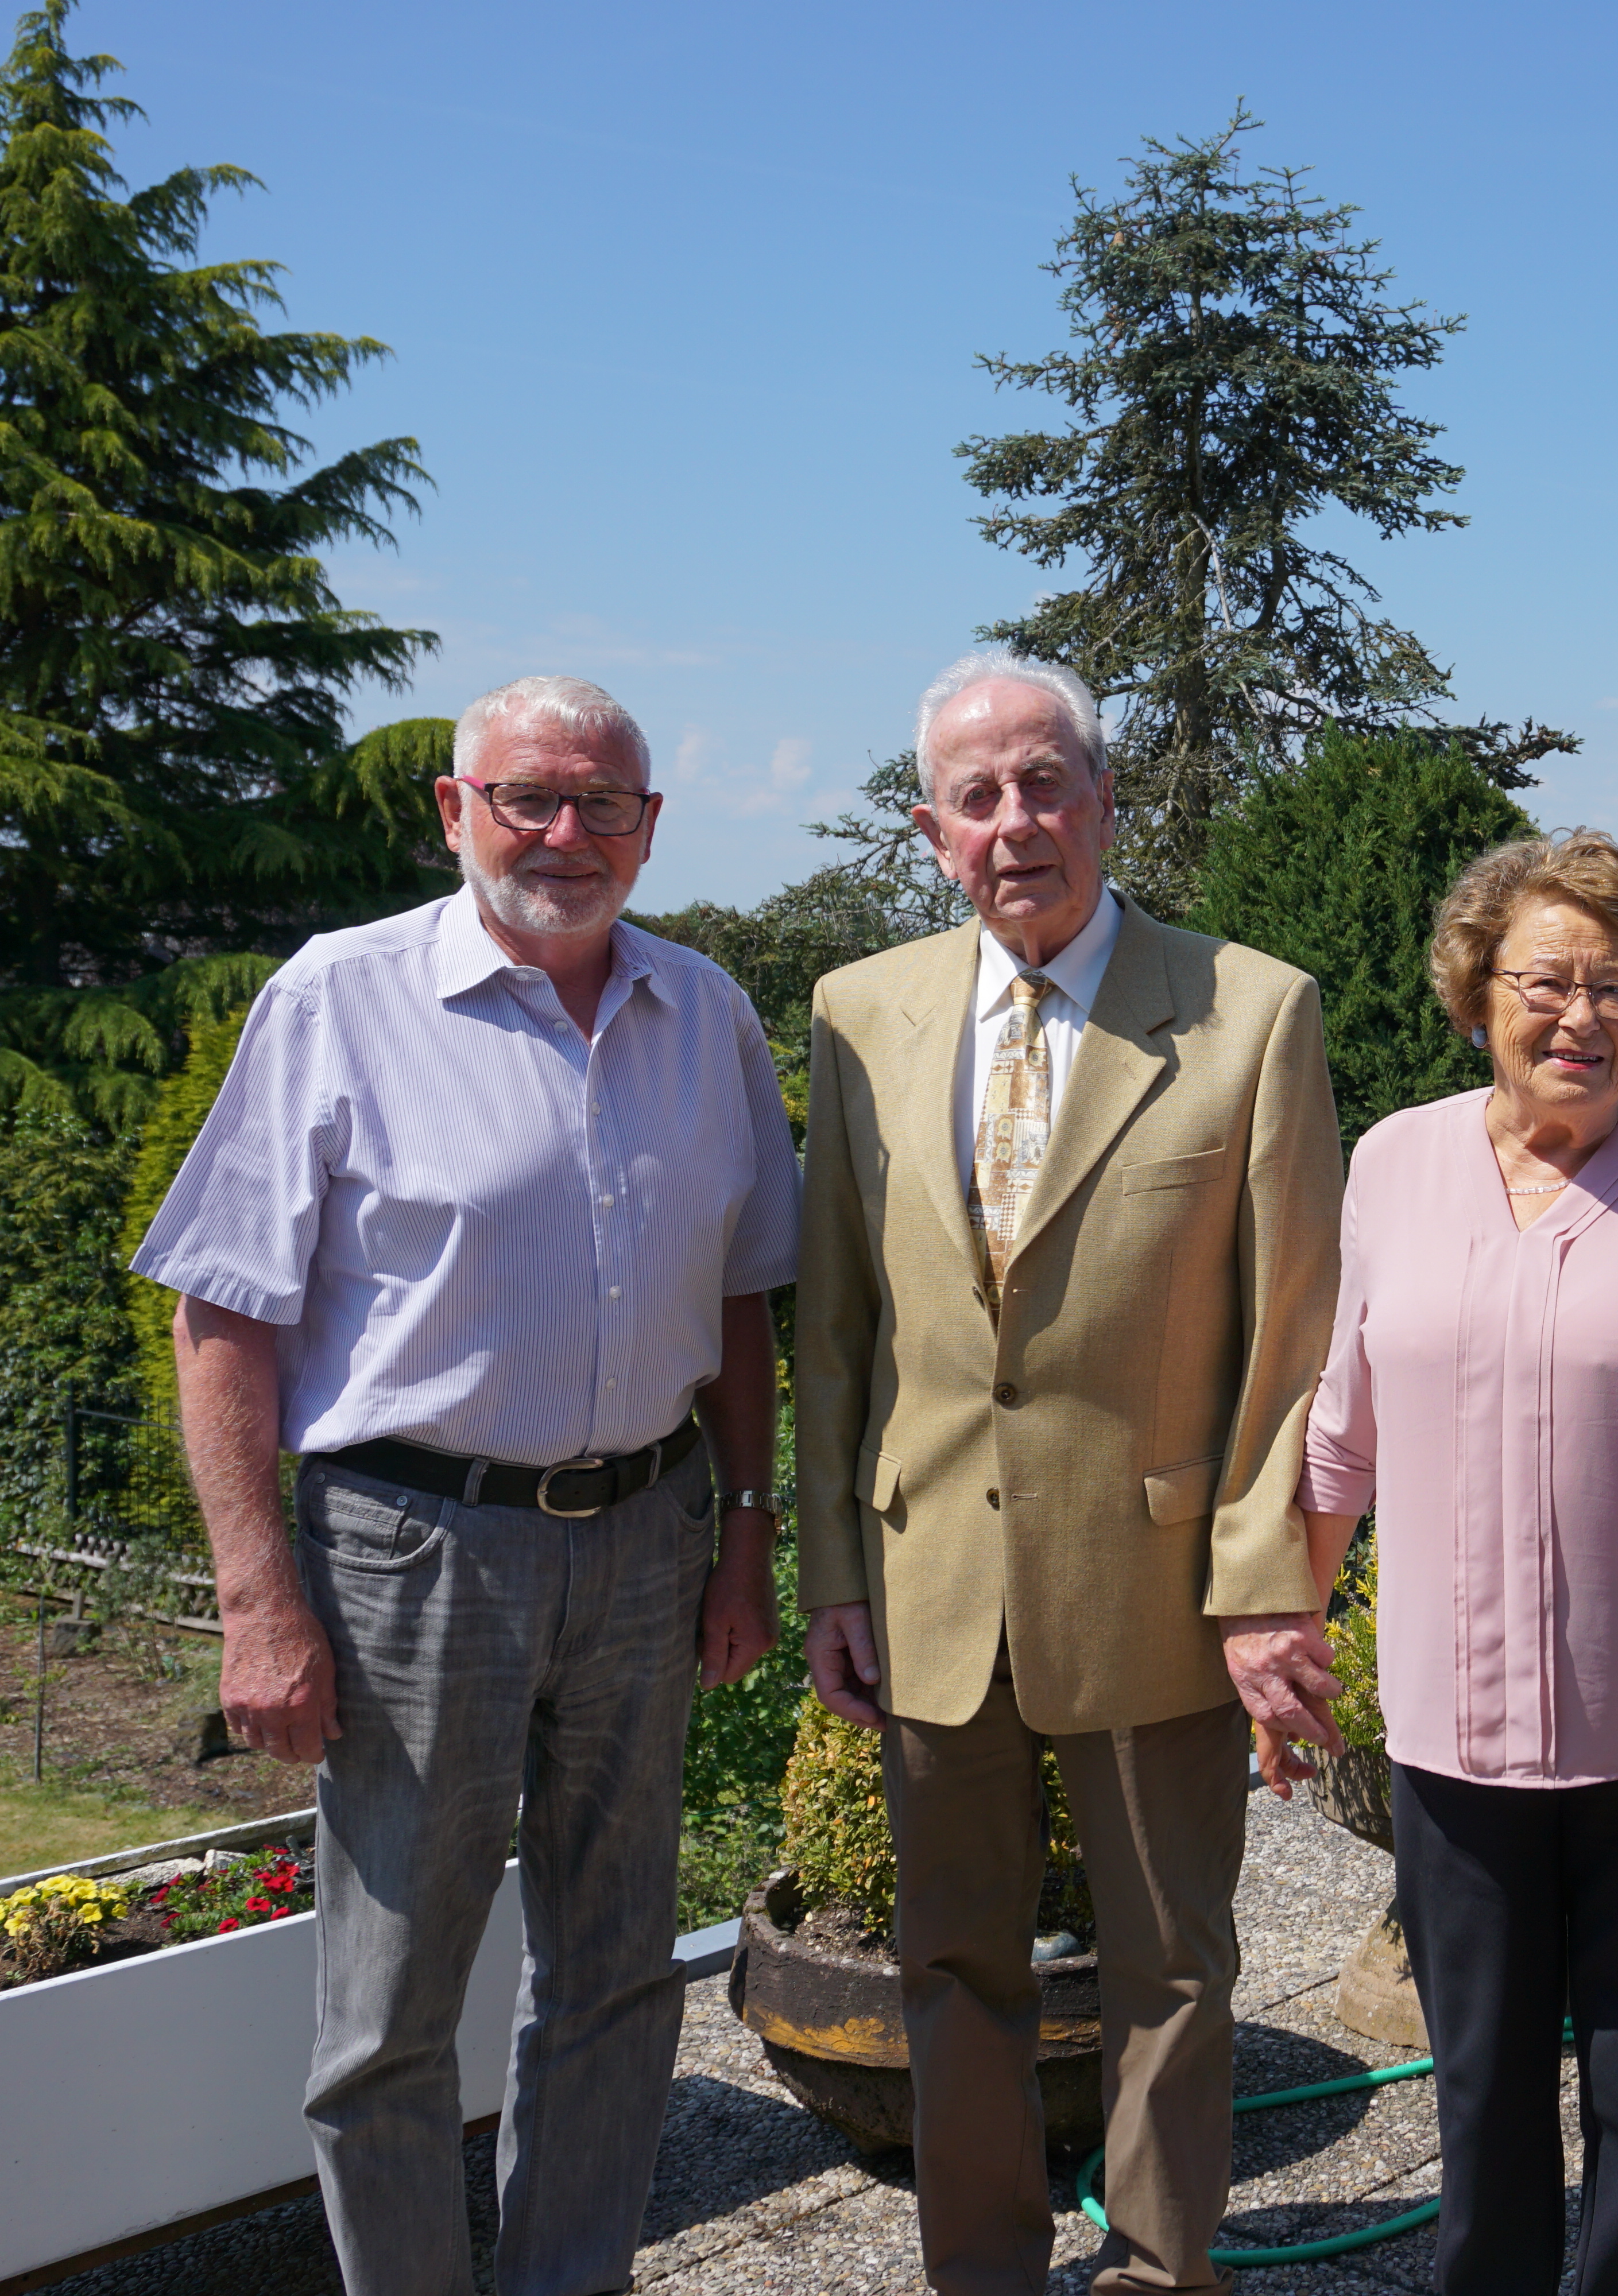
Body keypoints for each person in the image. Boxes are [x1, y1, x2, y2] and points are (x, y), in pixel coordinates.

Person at [130, 675, 798, 2296]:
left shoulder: (704, 1010)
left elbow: (739, 1301)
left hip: (647, 1538)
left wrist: (746, 1536)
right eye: (529, 799)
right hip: (410, 1553)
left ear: (650, 828)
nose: (566, 835)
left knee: (620, 1972)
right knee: (390, 2015)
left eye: (604, 806)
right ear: (458, 811)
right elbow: (222, 1307)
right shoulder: (341, 998)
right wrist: (255, 1599)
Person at [792, 650, 1344, 2296]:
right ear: (931, 829)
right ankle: (982, 2268)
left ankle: (1166, 2267)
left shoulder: (1253, 1008)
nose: (1017, 820)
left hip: (1160, 1582)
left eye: (1047, 783)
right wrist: (832, 1568)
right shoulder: (856, 1013)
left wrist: (1263, 1588)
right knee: (952, 1961)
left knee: (1173, 1961)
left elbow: (1294, 1335)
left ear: (1106, 801)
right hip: (929, 1584)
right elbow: (833, 1327)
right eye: (980, 795)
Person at [1287, 827, 1618, 2295]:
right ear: (1479, 993)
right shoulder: (1395, 1165)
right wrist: (1283, 1630)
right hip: (1454, 1747)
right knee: (1483, 2101)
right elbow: (1343, 1436)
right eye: (1547, 979)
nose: (1581, 1015)